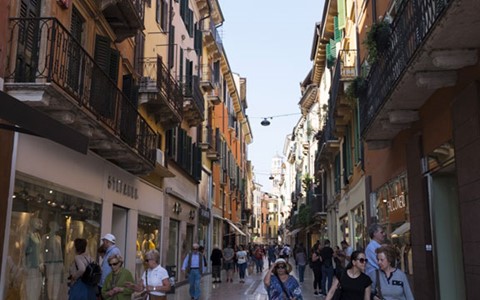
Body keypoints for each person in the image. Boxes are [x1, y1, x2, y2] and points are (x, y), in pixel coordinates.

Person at [24, 217, 44, 300]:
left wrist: (41, 262)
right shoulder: (28, 235)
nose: (40, 224)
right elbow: (24, 252)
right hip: (30, 267)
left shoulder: (37, 235)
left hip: (38, 268)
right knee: (30, 291)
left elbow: (40, 251)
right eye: (37, 222)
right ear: (32, 222)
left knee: (36, 290)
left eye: (40, 223)